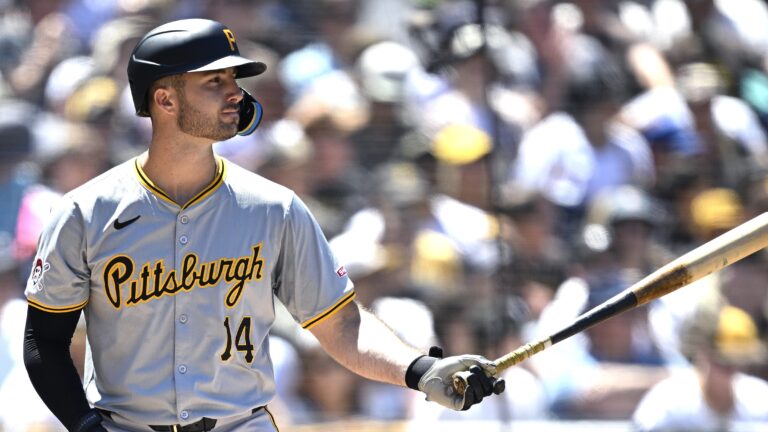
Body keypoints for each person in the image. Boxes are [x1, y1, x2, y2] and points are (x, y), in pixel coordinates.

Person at [22, 18, 504, 432]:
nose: (236, 92)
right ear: (165, 100)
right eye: (214, 82)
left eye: (234, 79)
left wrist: (421, 370)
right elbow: (43, 341)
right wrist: (84, 426)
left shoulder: (275, 208)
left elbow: (341, 324)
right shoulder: (86, 211)